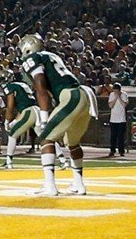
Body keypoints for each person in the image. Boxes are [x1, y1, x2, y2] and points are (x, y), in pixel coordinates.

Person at [19, 34, 92, 196]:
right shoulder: (52, 56)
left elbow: (41, 87)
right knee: (72, 143)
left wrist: (44, 118)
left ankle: (50, 186)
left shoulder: (33, 58)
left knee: (46, 138)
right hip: (84, 96)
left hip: (71, 96)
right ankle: (79, 184)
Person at [101, 81, 128, 158]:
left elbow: (124, 105)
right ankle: (112, 150)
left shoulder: (124, 94)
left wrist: (119, 97)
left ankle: (121, 151)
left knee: (121, 136)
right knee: (113, 136)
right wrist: (115, 97)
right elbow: (110, 105)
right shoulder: (112, 95)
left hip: (121, 119)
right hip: (113, 119)